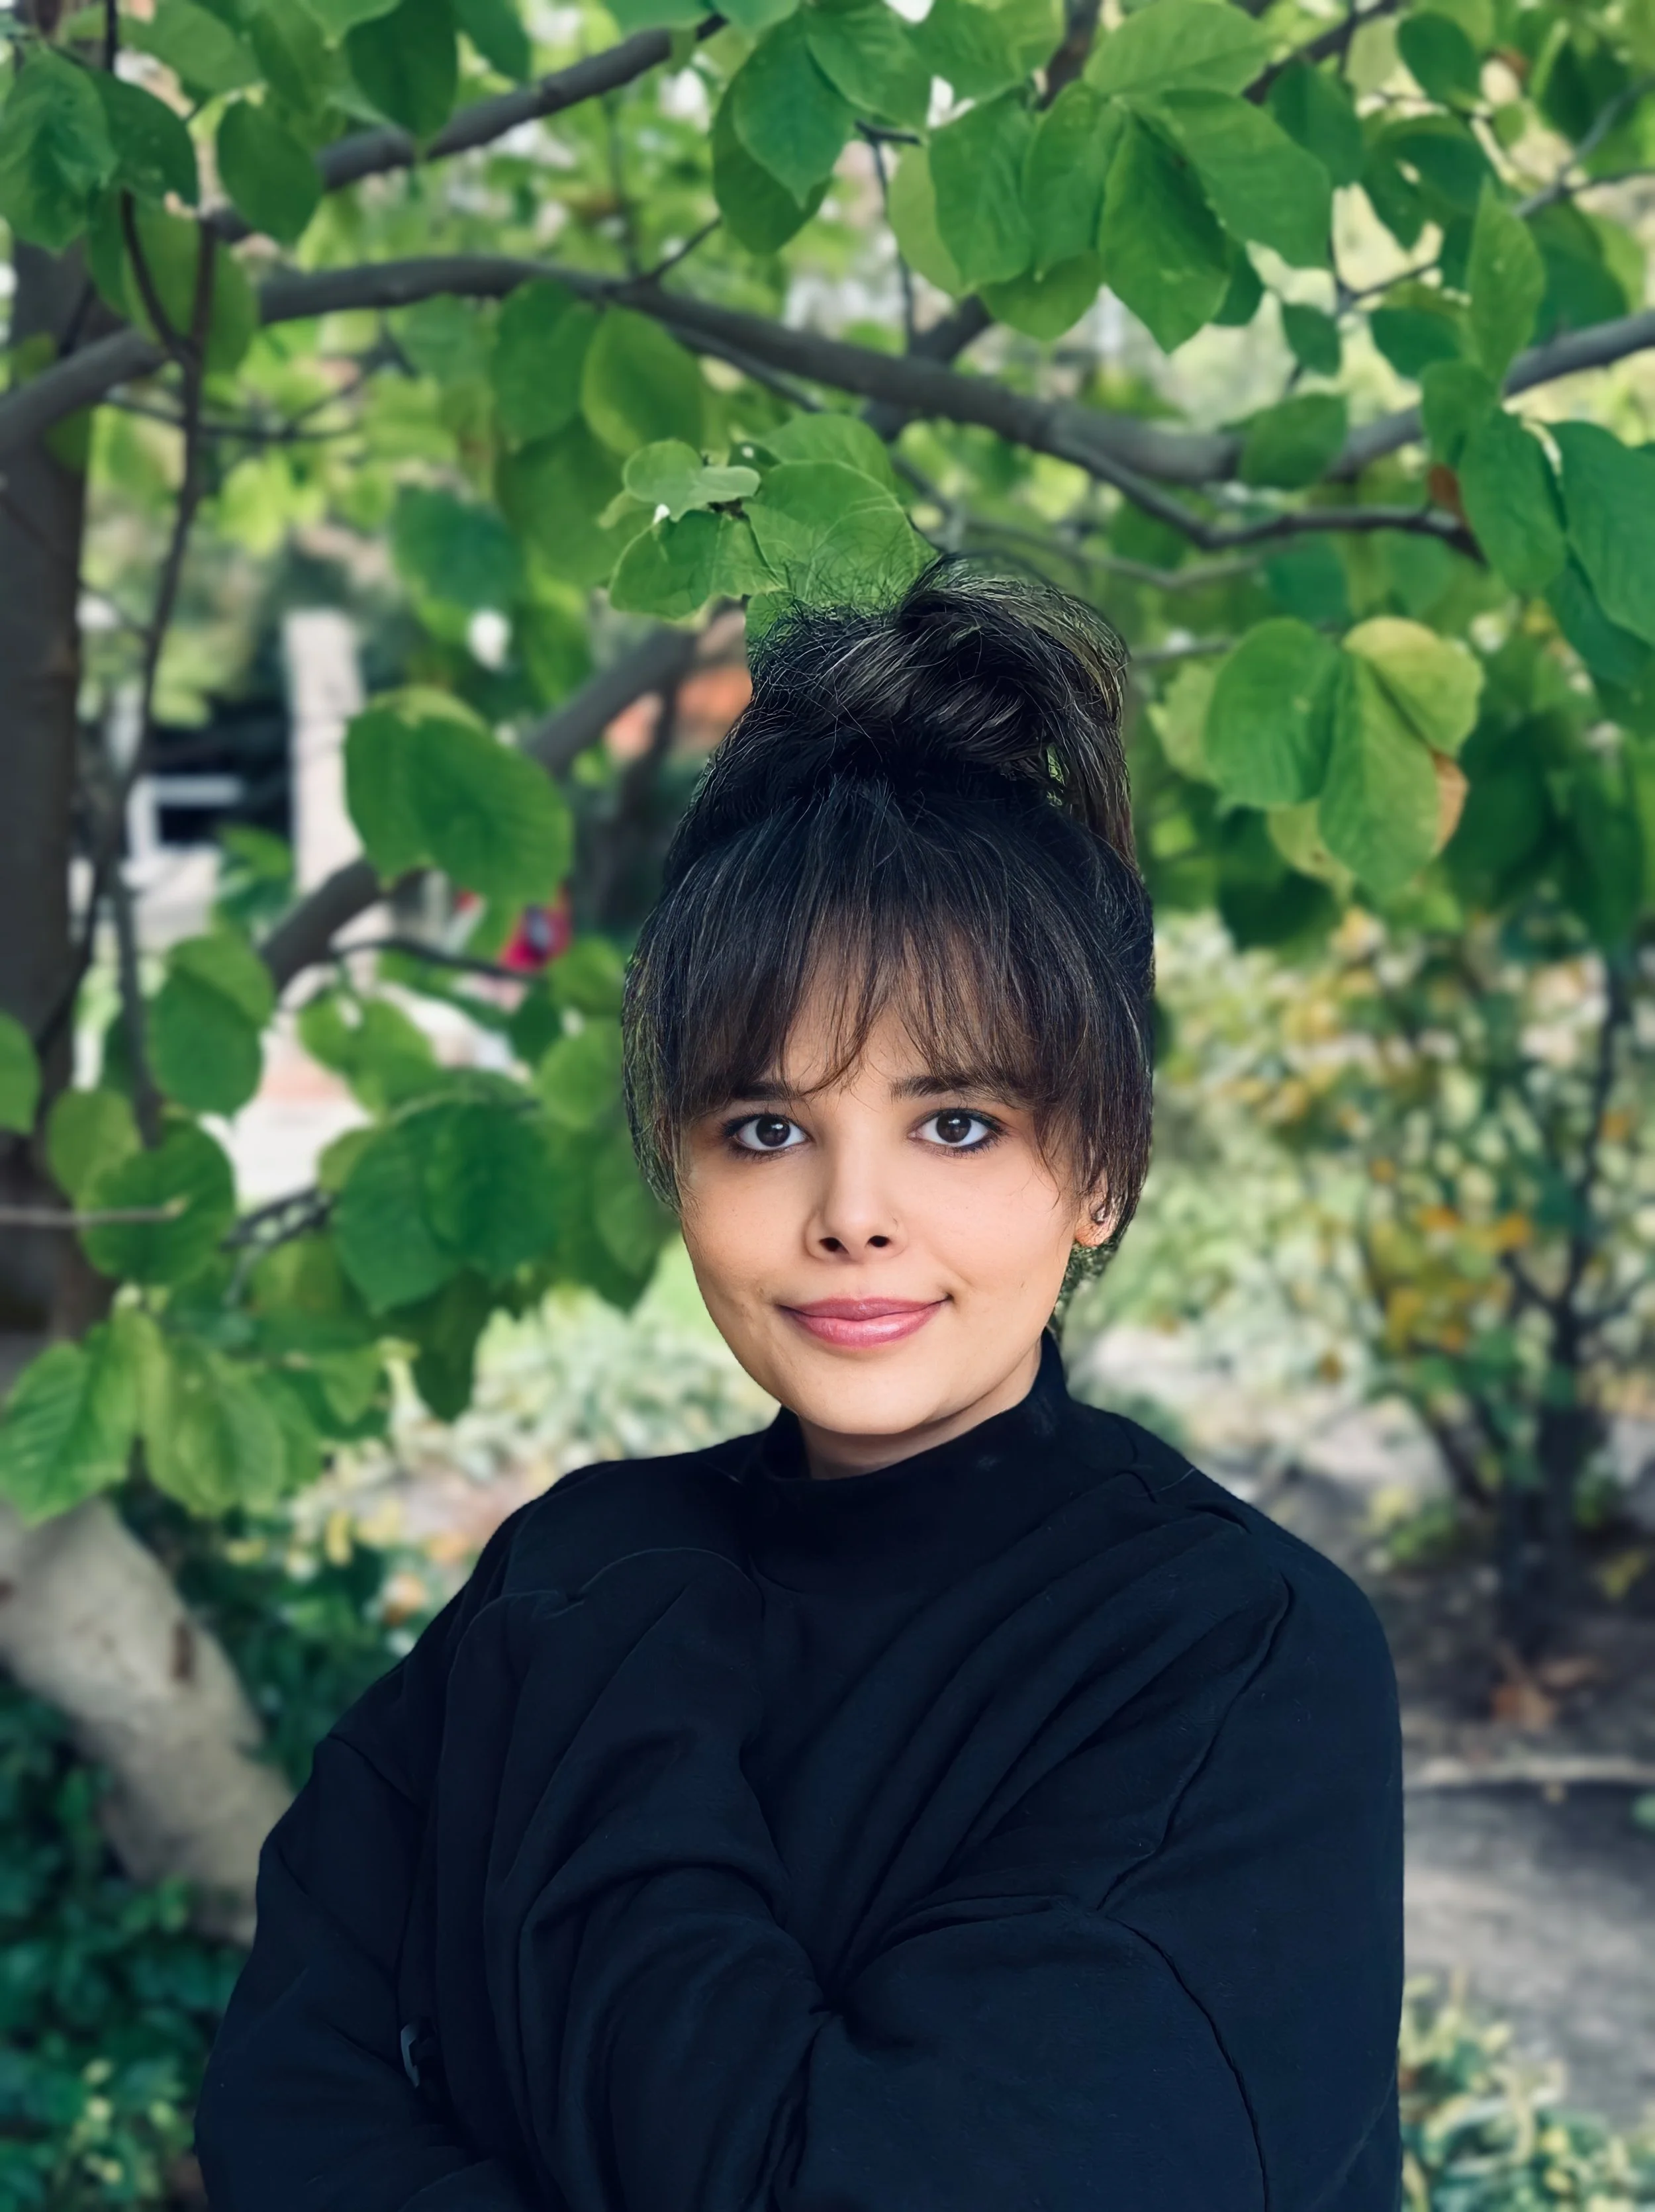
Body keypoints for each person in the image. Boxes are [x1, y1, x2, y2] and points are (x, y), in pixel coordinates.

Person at [195, 562, 1404, 2212]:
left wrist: (623, 1677)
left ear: (1100, 1173)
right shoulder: (575, 1571)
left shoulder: (1231, 1657)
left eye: (956, 1124)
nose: (851, 1214)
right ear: (678, 1165)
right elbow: (287, 2099)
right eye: (765, 1128)